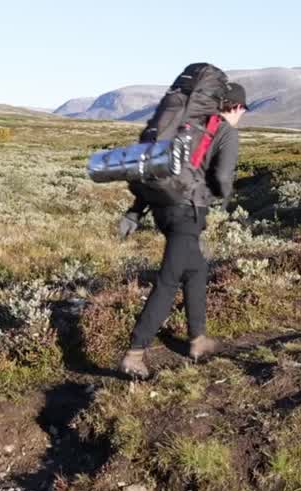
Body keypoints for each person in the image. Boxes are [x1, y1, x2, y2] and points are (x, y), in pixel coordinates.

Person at [117, 82, 249, 379]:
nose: (242, 115)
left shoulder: (188, 128)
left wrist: (136, 211)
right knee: (168, 281)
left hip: (163, 210)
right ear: (236, 107)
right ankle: (135, 353)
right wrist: (222, 197)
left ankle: (198, 341)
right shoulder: (225, 132)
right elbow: (223, 177)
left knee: (196, 271)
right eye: (243, 110)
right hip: (186, 214)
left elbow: (159, 171)